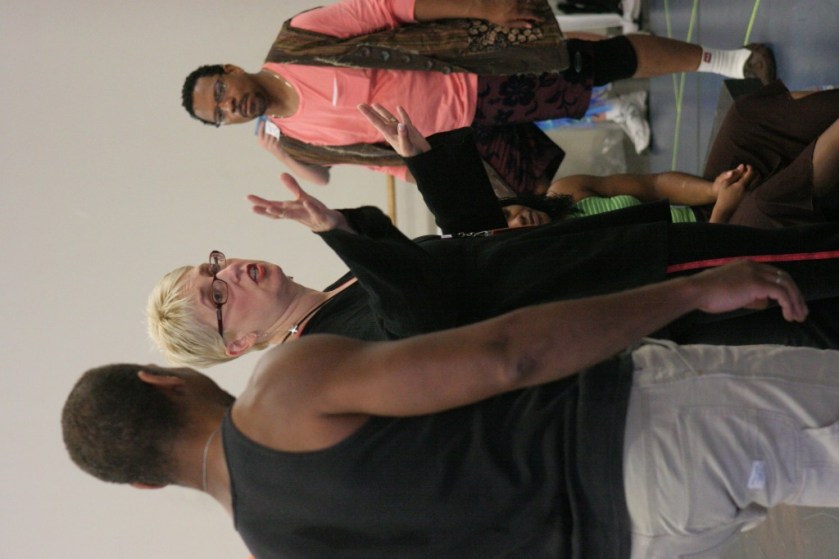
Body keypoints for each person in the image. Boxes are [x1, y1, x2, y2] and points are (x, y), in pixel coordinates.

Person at [66, 261, 839, 558]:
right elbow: (506, 356)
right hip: (639, 431)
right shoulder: (279, 394)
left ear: (144, 482)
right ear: (162, 380)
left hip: (646, 531)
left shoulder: (275, 546)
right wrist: (690, 290)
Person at [148, 170, 839, 368]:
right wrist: (337, 231)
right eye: (217, 295)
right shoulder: (329, 345)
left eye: (215, 267)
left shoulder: (334, 296)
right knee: (812, 265)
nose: (230, 273)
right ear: (238, 345)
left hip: (604, 269)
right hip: (622, 287)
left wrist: (430, 164)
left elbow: (464, 254)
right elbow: (424, 317)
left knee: (810, 313)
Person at [181, 0, 775, 194]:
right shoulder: (296, 137)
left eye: (221, 91)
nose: (230, 106)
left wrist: (486, 9)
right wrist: (280, 152)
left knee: (598, 65)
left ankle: (728, 61)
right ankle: (696, 198)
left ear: (231, 69)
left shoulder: (298, 39)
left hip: (475, 68)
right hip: (465, 141)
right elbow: (350, 170)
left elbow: (389, 8)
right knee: (553, 194)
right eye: (220, 113)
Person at [359, 80, 839, 231]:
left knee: (745, 119)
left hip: (709, 208)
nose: (519, 221)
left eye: (507, 214)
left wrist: (714, 190)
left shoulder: (566, 193)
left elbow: (653, 185)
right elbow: (692, 272)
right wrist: (724, 211)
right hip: (718, 245)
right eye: (513, 231)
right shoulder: (579, 264)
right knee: (768, 200)